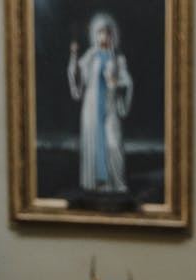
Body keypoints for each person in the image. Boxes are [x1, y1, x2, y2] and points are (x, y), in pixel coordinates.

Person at [67, 13, 133, 194]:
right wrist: (73, 58)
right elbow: (77, 75)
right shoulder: (91, 56)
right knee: (95, 143)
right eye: (99, 33)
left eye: (106, 33)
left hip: (110, 107)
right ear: (95, 35)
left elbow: (127, 82)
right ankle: (97, 182)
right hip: (92, 107)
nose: (103, 36)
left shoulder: (118, 59)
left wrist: (117, 84)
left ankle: (116, 182)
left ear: (112, 35)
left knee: (113, 142)